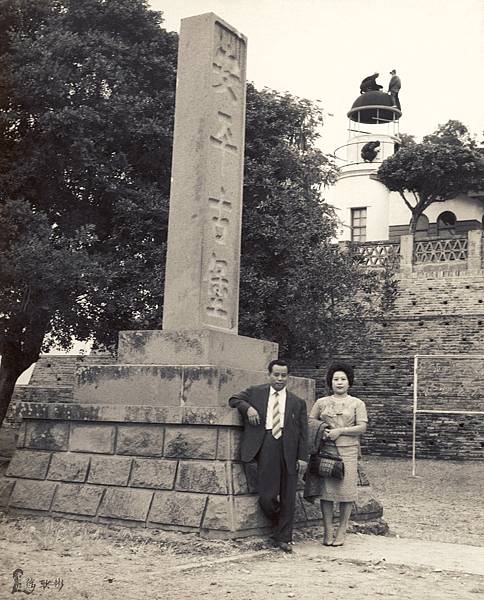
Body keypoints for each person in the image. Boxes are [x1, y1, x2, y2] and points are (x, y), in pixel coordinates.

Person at [229, 359, 308, 552]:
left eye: (284, 375)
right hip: (266, 444)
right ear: (269, 375)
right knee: (267, 495)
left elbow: (303, 432)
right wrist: (248, 408)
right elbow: (233, 399)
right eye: (276, 375)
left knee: (289, 495)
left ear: (287, 377)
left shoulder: (297, 402)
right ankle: (280, 522)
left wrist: (303, 457)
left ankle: (283, 538)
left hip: (289, 447)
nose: (280, 379)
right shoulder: (256, 392)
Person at [309, 362, 367, 546]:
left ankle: (342, 530)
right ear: (330, 382)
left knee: (346, 493)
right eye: (335, 379)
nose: (339, 382)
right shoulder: (321, 402)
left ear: (349, 382)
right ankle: (328, 531)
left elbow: (362, 427)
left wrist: (340, 431)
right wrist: (323, 430)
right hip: (327, 451)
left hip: (348, 451)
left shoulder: (357, 403)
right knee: (327, 493)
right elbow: (311, 421)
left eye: (343, 379)